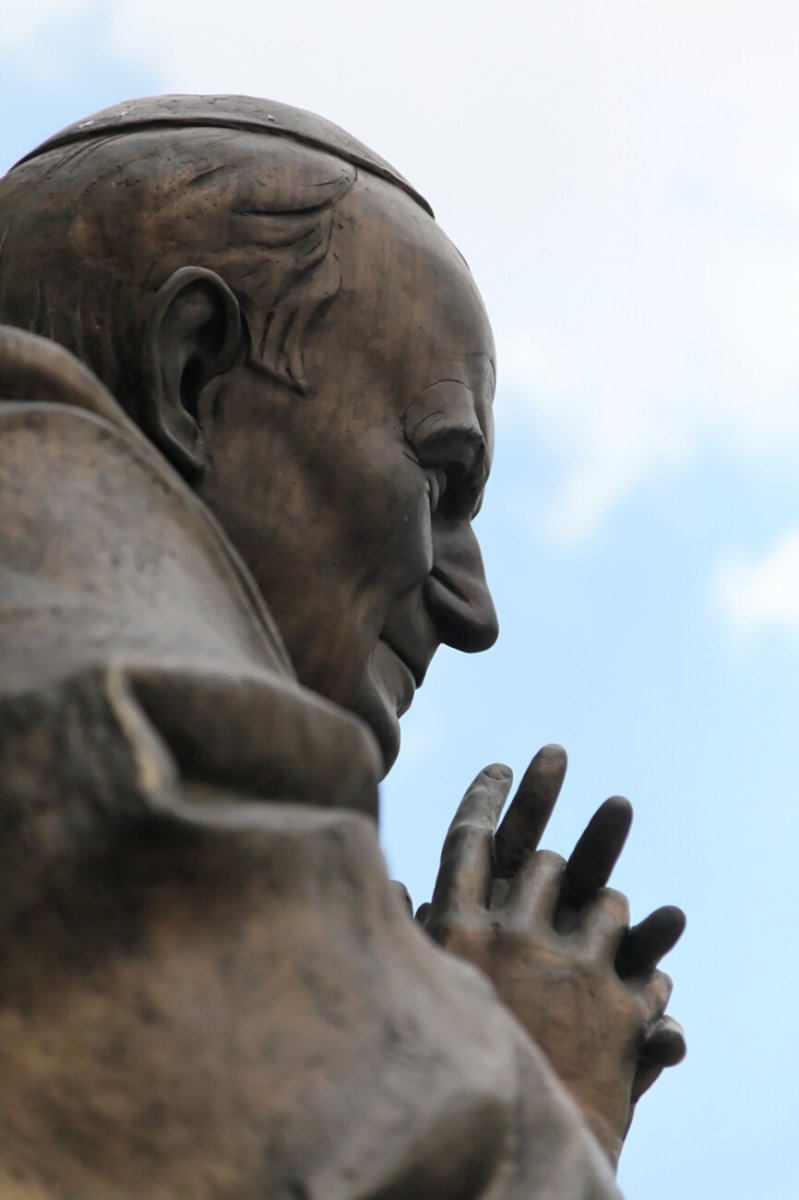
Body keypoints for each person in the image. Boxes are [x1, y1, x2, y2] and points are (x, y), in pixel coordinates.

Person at [0, 95, 683, 1198]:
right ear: (192, 373)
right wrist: (521, 1098)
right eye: (439, 476)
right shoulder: (117, 755)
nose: (473, 609)